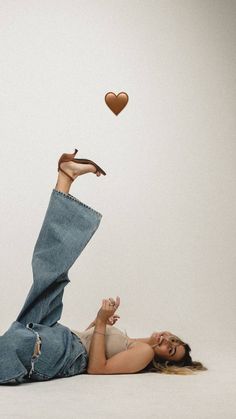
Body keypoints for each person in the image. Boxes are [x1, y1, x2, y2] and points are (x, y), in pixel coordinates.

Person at [0, 149, 206, 384]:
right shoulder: (137, 342)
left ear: (164, 362)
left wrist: (100, 321)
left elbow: (97, 367)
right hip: (62, 335)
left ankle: (65, 178)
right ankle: (65, 177)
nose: (167, 342)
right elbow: (91, 338)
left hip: (68, 354)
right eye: (174, 340)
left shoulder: (145, 354)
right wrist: (101, 324)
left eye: (170, 350)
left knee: (18, 342)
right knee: (50, 272)